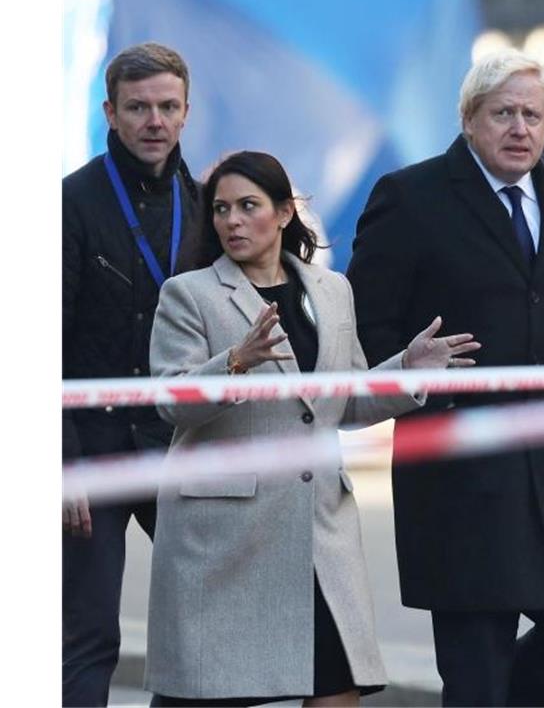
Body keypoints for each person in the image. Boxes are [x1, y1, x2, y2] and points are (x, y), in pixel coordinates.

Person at [145, 151, 479, 706]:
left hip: (318, 529)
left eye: (248, 206)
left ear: (282, 214)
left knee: (337, 684)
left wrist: (405, 370)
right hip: (224, 533)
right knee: (209, 692)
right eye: (222, 209)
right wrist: (235, 362)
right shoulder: (188, 294)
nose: (232, 220)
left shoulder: (331, 290)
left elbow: (341, 403)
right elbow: (171, 403)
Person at [346, 48, 544, 706]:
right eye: (503, 114)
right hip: (458, 471)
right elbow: (362, 321)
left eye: (534, 114)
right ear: (469, 119)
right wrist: (410, 374)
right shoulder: (410, 198)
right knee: (476, 667)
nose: (519, 128)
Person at [62, 42, 200, 707]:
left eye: (168, 107)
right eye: (139, 107)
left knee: (206, 626)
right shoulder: (71, 202)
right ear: (111, 112)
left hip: (176, 445)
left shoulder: (204, 204)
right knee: (87, 636)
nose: (155, 121)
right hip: (90, 448)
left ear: (186, 112)